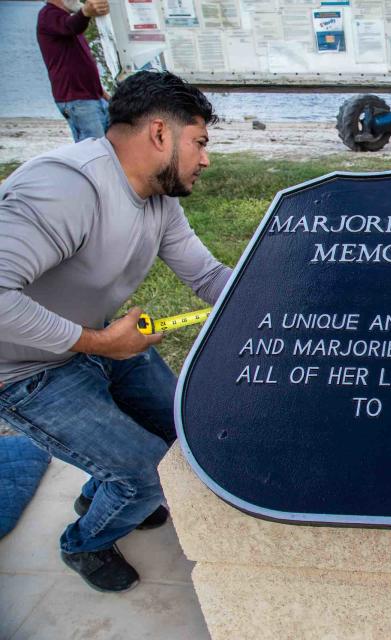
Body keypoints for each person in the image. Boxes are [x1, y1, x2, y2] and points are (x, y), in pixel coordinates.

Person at [0, 71, 232, 593]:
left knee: (186, 434)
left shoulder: (158, 196)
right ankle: (84, 542)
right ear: (159, 134)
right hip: (21, 372)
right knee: (148, 476)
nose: (205, 160)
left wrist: (288, 298)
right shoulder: (64, 189)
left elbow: (207, 277)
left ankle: (106, 487)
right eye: (199, 143)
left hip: (96, 338)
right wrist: (98, 344)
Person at [37, 0, 111, 142]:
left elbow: (80, 62)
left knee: (111, 146)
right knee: (93, 152)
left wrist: (101, 92)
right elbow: (72, 26)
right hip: (77, 101)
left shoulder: (65, 19)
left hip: (93, 97)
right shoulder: (48, 15)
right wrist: (85, 13)